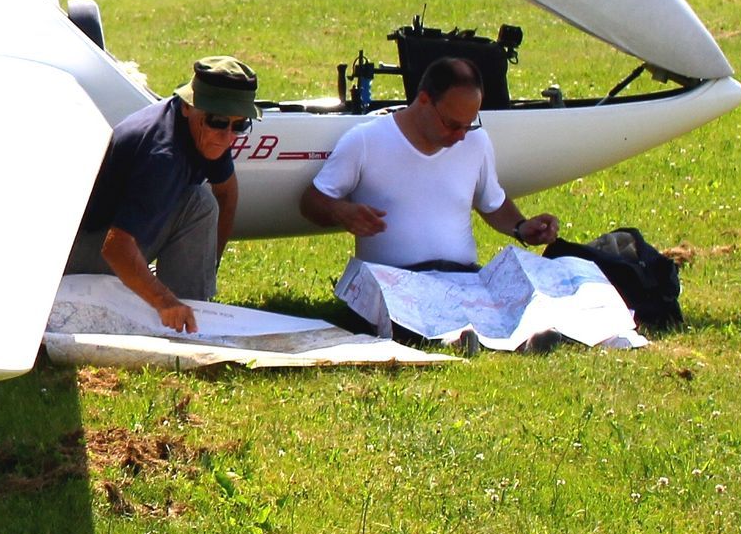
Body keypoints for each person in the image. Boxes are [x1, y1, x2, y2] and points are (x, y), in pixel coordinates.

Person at [300, 57, 558, 272]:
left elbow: (492, 202)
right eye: (452, 124)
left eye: (468, 125)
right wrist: (341, 212)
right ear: (423, 100)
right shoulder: (366, 140)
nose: (460, 136)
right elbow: (311, 202)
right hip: (392, 281)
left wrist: (522, 228)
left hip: (463, 277)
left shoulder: (476, 141)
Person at [64, 56, 260, 333]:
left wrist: (210, 264)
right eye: (219, 121)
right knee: (200, 204)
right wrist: (164, 301)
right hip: (72, 255)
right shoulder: (162, 156)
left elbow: (227, 192)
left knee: (201, 202)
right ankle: (180, 320)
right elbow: (116, 246)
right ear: (189, 108)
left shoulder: (208, 132)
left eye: (239, 125)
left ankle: (192, 310)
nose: (228, 136)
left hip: (109, 239)